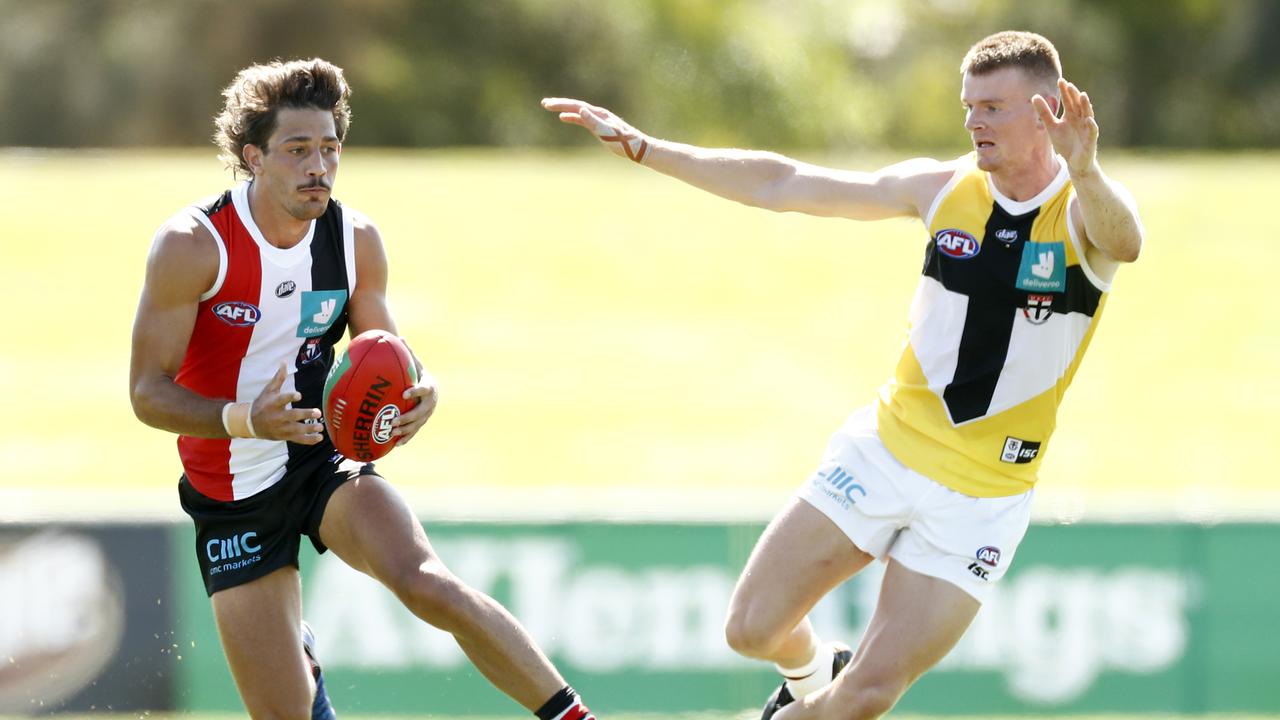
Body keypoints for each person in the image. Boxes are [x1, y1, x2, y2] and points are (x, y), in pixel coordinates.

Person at [544, 30, 1142, 720]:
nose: (975, 121)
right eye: (968, 106)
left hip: (984, 496)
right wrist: (647, 148)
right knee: (752, 630)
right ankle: (806, 674)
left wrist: (1088, 168)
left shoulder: (1083, 210)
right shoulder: (944, 188)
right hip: (885, 450)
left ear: (1046, 112)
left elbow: (1125, 242)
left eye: (994, 108)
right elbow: (784, 182)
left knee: (866, 696)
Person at [131, 58, 598, 720]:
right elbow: (147, 394)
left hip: (324, 462)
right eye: (297, 150)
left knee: (425, 583)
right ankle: (302, 658)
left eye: (329, 149)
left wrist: (422, 390)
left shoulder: (354, 242)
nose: (318, 165)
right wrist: (246, 420)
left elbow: (389, 355)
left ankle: (575, 717)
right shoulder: (192, 245)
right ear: (252, 157)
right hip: (229, 495)